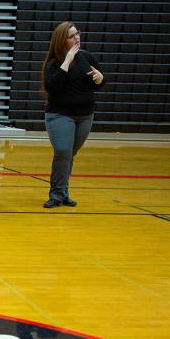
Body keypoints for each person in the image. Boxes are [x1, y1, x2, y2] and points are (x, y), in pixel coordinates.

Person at [41, 21, 105, 208]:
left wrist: (100, 79)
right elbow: (52, 87)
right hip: (60, 115)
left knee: (69, 154)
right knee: (63, 151)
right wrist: (67, 62)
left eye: (77, 34)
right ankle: (56, 194)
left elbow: (97, 83)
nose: (77, 38)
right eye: (71, 36)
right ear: (62, 40)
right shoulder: (54, 62)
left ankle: (63, 192)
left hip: (85, 115)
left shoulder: (87, 57)